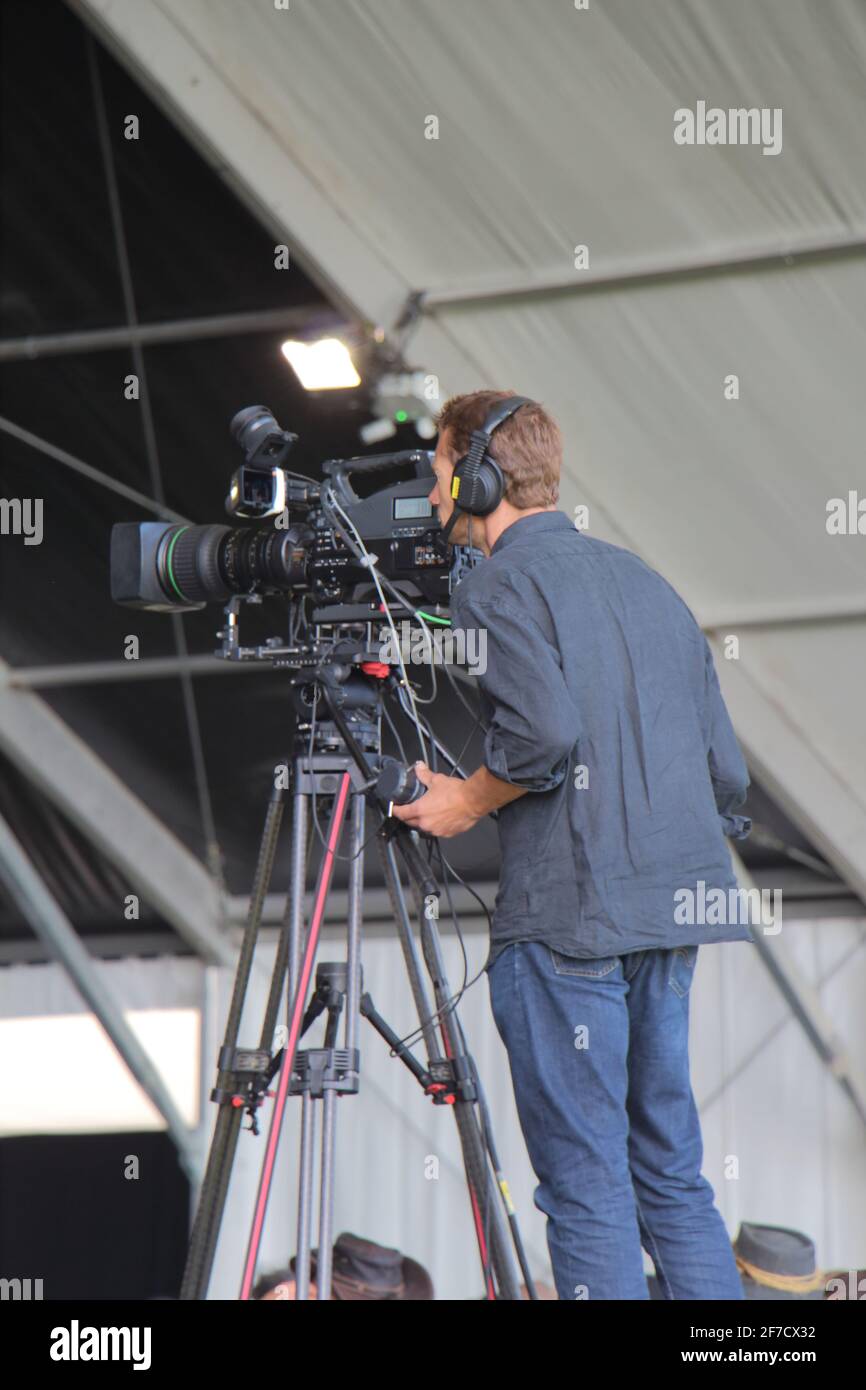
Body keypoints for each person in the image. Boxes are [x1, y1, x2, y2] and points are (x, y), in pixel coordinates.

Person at [393, 390, 753, 1300]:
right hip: (667, 919)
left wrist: (466, 801)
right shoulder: (648, 580)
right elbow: (727, 774)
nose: (434, 493)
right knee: (670, 1173)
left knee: (588, 1184)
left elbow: (545, 735)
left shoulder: (495, 585)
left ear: (478, 477)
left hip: (568, 927)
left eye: (439, 471)